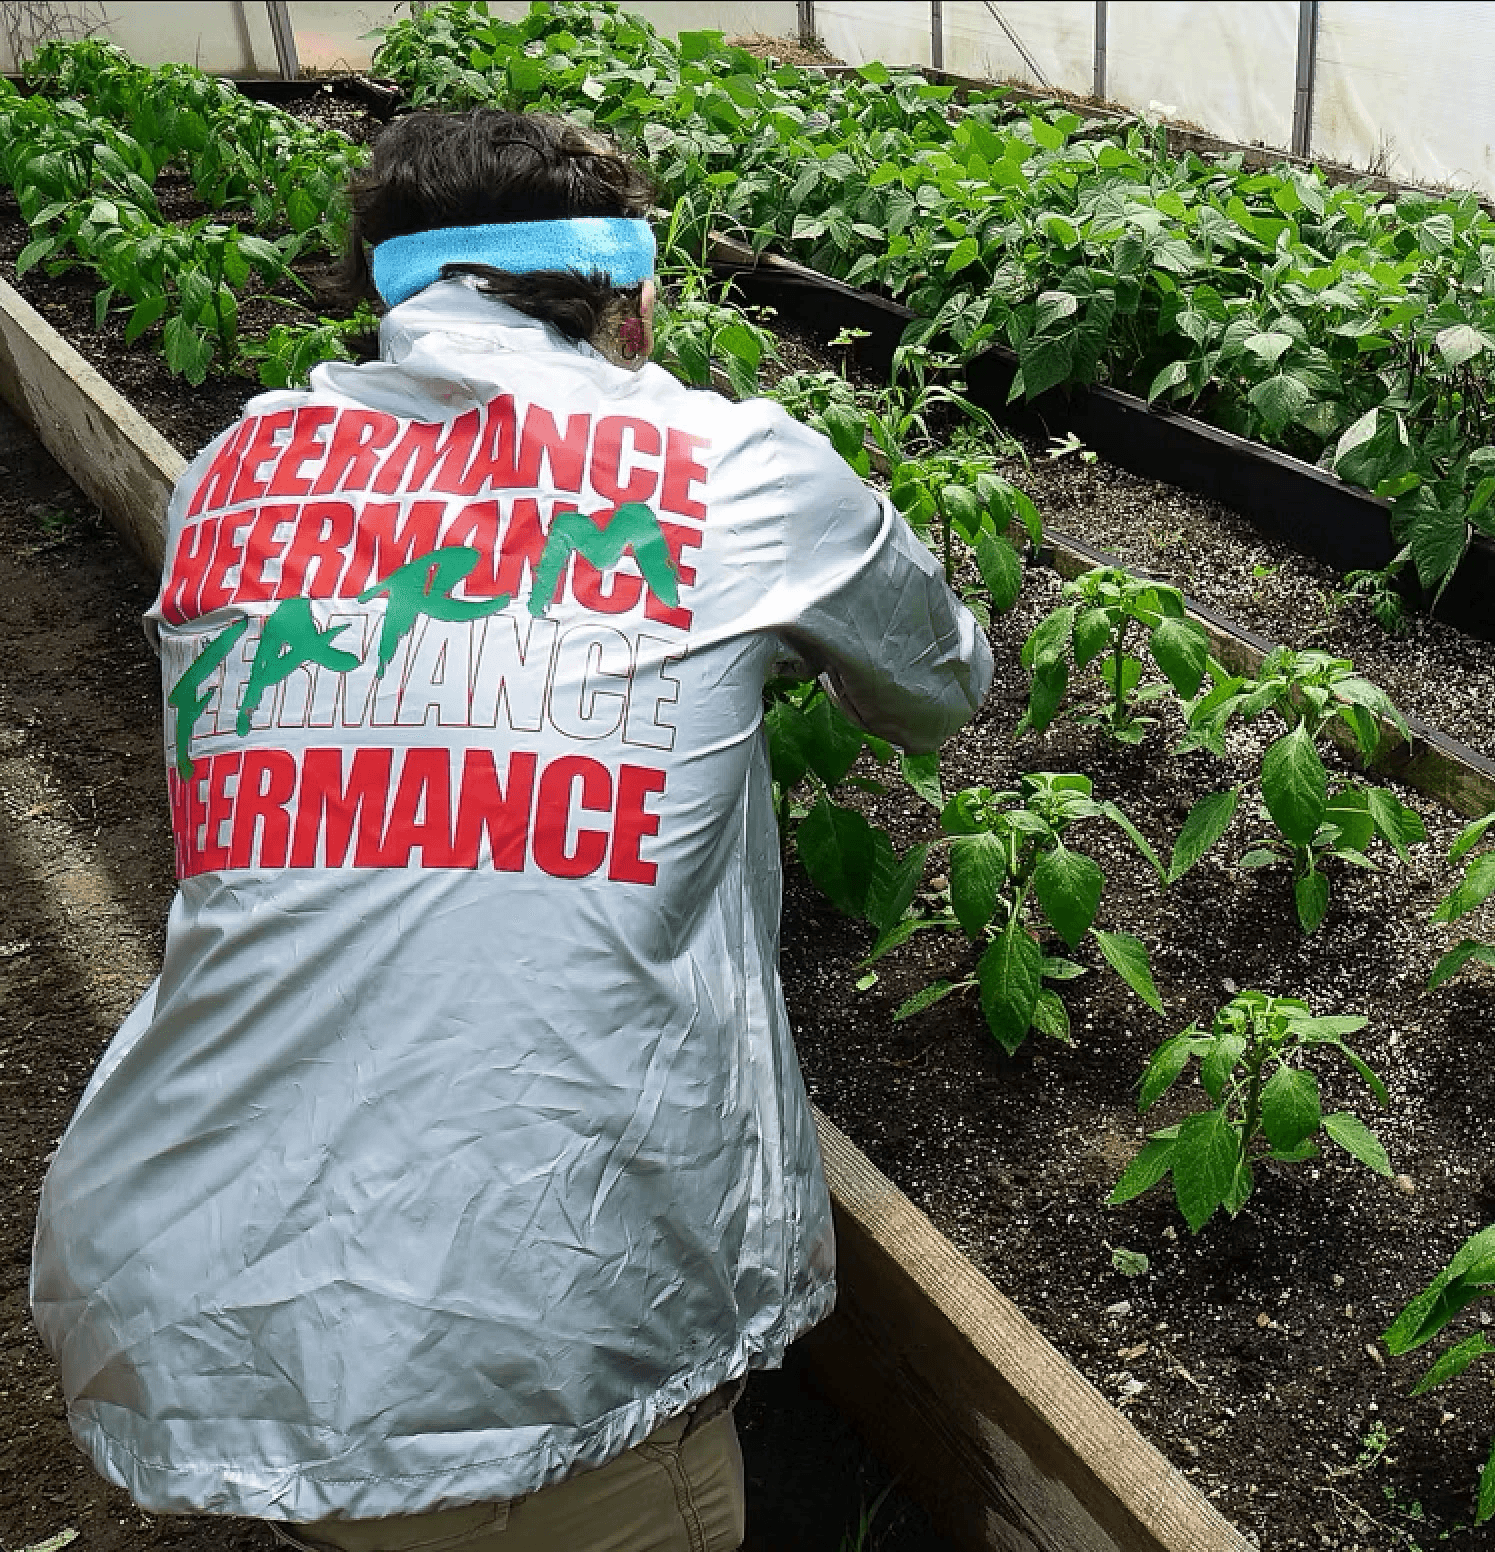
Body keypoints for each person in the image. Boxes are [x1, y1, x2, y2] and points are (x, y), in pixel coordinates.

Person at [30, 109, 993, 1551]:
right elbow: (937, 686)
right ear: (632, 301)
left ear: (384, 295)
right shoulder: (736, 463)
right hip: (529, 1322)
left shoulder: (233, 471)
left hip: (182, 1260)